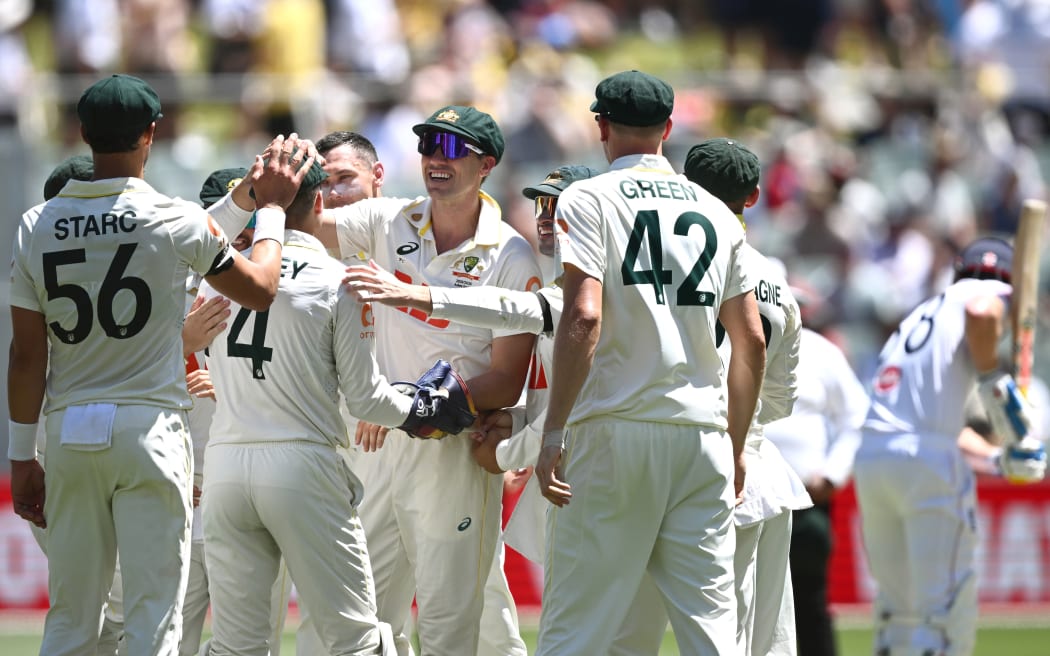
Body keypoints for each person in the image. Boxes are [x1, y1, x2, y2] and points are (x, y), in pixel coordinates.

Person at [8, 73, 313, 656]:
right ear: (152, 133)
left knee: (72, 618)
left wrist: (22, 457)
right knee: (154, 621)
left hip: (69, 430)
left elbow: (26, 357)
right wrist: (271, 209)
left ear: (82, 133)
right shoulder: (174, 218)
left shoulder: (35, 223)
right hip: (150, 430)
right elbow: (258, 288)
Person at [536, 70, 766, 655]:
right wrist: (735, 445)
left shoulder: (586, 197)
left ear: (602, 127)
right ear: (668, 128)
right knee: (713, 630)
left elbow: (584, 317)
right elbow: (751, 342)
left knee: (576, 626)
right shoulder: (716, 210)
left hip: (615, 429)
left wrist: (554, 430)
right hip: (702, 437)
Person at [318, 105, 540, 654]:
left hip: (450, 450)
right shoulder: (387, 219)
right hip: (373, 449)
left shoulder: (511, 255)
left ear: (486, 164)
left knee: (448, 621)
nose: (436, 159)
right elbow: (307, 223)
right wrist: (285, 181)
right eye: (428, 147)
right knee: (359, 617)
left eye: (452, 149)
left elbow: (507, 380)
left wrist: (411, 405)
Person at [853, 236, 1047, 656]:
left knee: (897, 614)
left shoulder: (922, 313)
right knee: (942, 613)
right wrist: (994, 380)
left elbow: (934, 423)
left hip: (874, 460)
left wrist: (998, 459)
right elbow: (983, 310)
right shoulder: (987, 294)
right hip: (926, 465)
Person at [762, 327, 870, 656]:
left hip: (806, 501)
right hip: (742, 497)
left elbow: (857, 416)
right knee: (741, 602)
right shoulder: (721, 335)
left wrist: (833, 475)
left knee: (807, 601)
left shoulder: (819, 350)